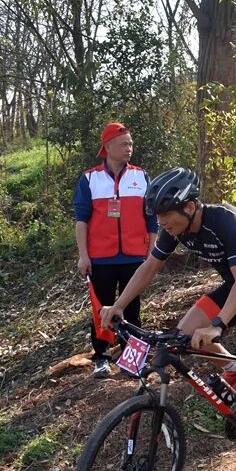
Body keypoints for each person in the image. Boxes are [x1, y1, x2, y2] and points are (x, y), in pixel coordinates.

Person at [99, 168, 236, 471]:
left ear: (189, 207)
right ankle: (232, 370)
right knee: (181, 336)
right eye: (158, 217)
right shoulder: (176, 229)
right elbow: (150, 267)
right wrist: (119, 305)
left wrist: (218, 325)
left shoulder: (225, 221)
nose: (161, 223)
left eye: (165, 216)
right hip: (235, 287)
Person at [73, 122, 158, 378]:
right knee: (102, 310)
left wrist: (152, 252)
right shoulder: (90, 179)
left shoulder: (141, 177)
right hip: (101, 257)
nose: (129, 148)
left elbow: (152, 218)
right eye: (123, 144)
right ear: (108, 147)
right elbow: (81, 220)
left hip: (135, 255)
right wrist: (83, 255)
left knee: (132, 309)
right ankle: (101, 357)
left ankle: (133, 358)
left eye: (131, 144)